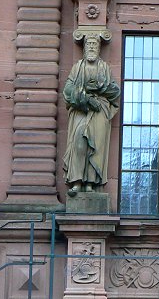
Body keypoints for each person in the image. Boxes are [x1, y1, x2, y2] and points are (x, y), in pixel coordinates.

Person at [63, 33, 120, 197]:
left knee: (97, 146)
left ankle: (90, 183)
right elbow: (67, 90)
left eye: (95, 45)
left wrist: (100, 89)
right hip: (82, 109)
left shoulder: (104, 68)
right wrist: (86, 98)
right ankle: (77, 180)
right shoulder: (77, 67)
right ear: (85, 48)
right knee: (79, 141)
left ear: (99, 48)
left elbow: (116, 91)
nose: (92, 47)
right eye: (89, 45)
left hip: (100, 111)